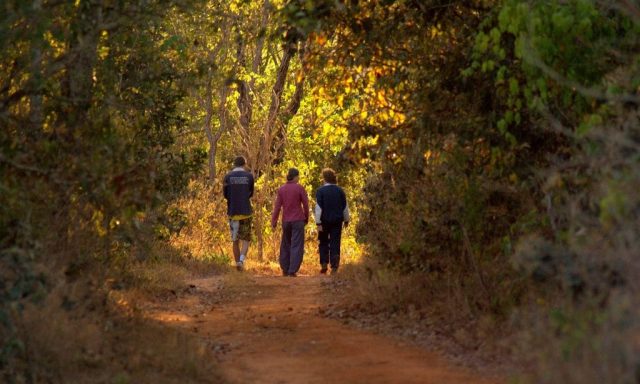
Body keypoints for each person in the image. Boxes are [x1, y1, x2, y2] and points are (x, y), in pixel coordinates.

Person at [271, 168, 309, 277]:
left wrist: (274, 221)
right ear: (295, 176)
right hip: (298, 220)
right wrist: (306, 218)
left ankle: (285, 268)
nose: (299, 178)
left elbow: (277, 207)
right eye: (298, 176)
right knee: (297, 244)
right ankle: (292, 270)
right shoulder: (299, 188)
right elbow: (306, 205)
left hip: (286, 221)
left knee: (286, 244)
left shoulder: (282, 189)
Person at [314, 168, 349, 274]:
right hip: (337, 221)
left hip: (324, 221)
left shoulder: (320, 191)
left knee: (323, 241)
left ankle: (324, 263)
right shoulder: (340, 190)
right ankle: (334, 266)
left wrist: (318, 222)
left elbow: (318, 208)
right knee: (335, 242)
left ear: (324, 178)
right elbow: (345, 207)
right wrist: (346, 220)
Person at [223, 156, 255, 271]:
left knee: (235, 240)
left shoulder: (227, 177)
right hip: (246, 212)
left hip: (233, 212)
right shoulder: (249, 176)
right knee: (246, 239)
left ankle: (237, 263)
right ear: (244, 164)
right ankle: (241, 260)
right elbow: (251, 193)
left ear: (234, 164)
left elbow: (225, 195)